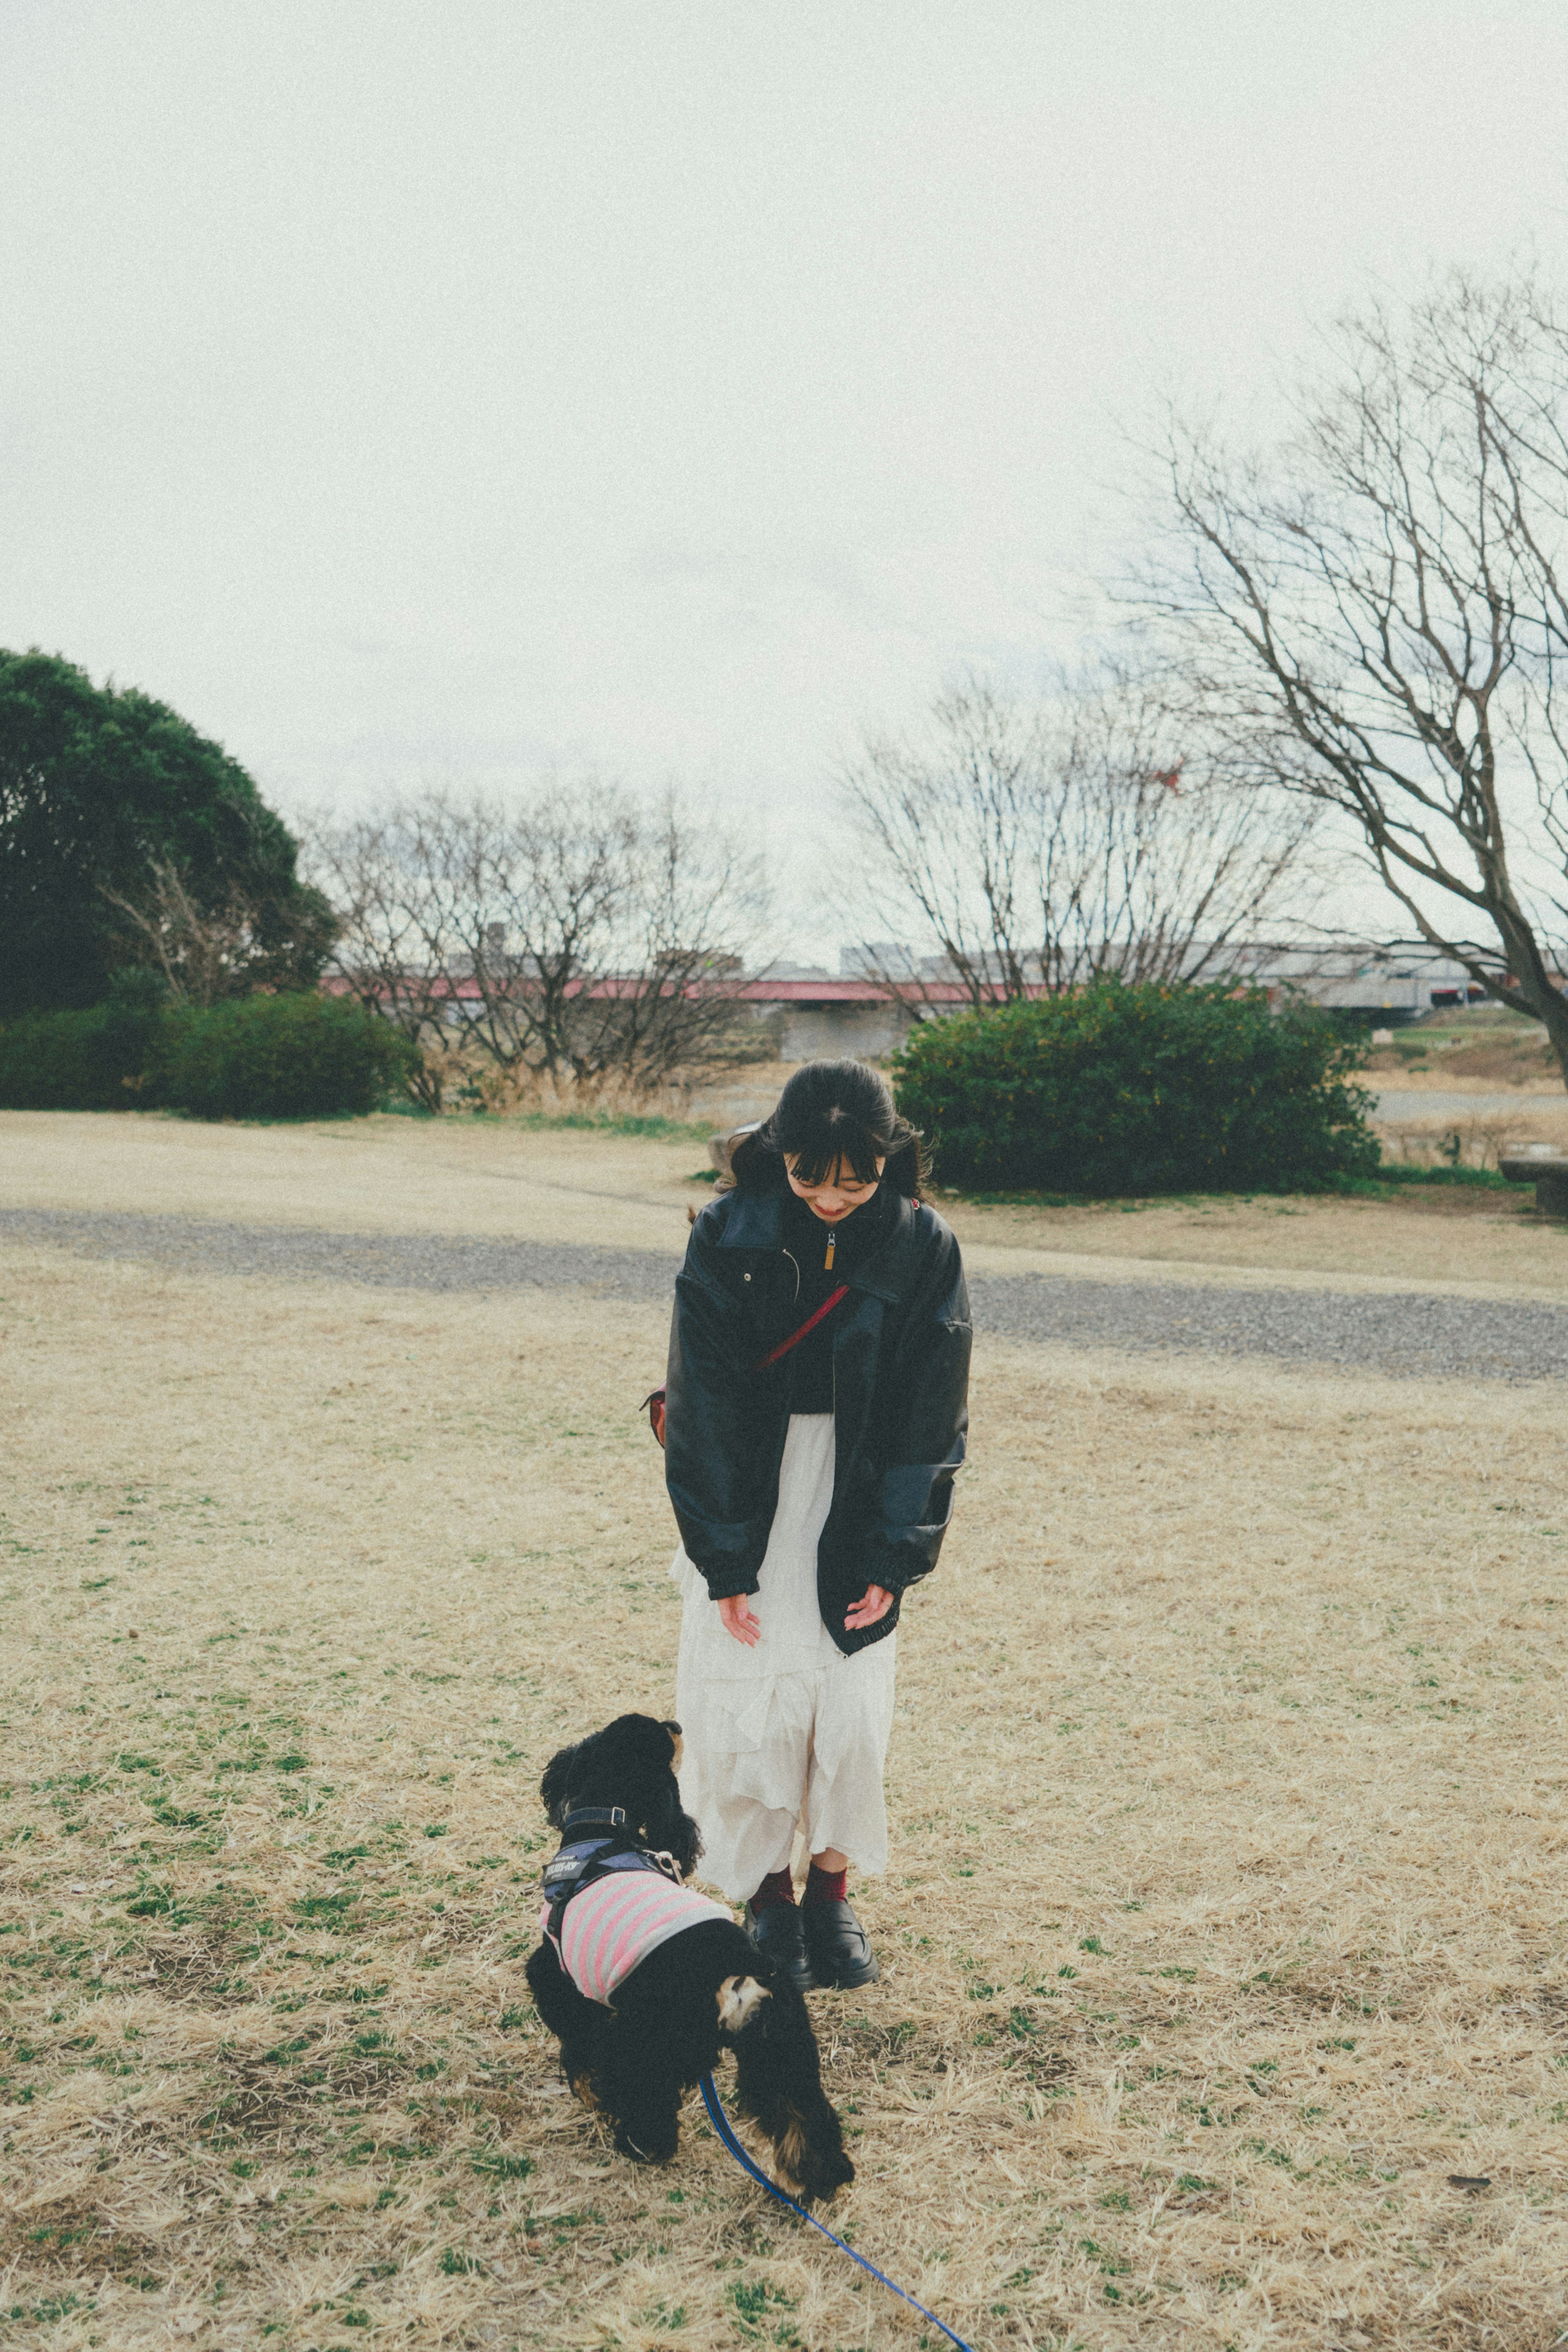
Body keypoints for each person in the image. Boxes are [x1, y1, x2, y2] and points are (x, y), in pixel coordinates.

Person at [662, 1059, 971, 1993]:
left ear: (889, 1160)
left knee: (850, 1709)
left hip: (864, 1488)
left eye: (857, 1177)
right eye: (810, 1175)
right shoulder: (726, 1233)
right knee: (747, 1701)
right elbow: (701, 1397)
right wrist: (723, 1555)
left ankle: (831, 1889)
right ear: (778, 1156)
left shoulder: (925, 1244)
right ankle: (766, 1895)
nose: (833, 1197)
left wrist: (895, 1548)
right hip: (753, 1492)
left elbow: (933, 1411)